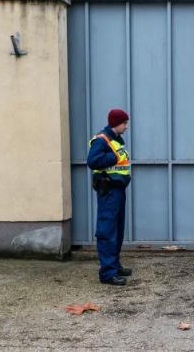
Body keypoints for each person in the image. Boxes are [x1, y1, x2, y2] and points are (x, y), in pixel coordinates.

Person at [87, 109, 132, 285]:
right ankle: (107, 273)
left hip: (118, 190)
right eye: (125, 123)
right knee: (107, 231)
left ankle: (115, 265)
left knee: (118, 230)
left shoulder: (115, 140)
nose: (126, 126)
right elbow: (93, 161)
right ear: (116, 123)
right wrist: (114, 157)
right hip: (108, 191)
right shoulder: (101, 140)